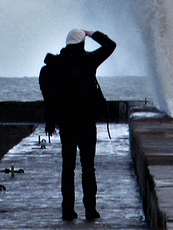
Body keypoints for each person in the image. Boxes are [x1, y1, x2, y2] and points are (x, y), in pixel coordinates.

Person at [39, 29, 116, 221]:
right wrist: (91, 33)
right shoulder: (88, 60)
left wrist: (50, 121)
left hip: (66, 124)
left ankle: (68, 211)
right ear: (82, 43)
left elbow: (49, 97)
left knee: (68, 168)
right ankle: (90, 210)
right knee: (88, 167)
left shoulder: (55, 65)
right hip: (86, 123)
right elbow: (110, 46)